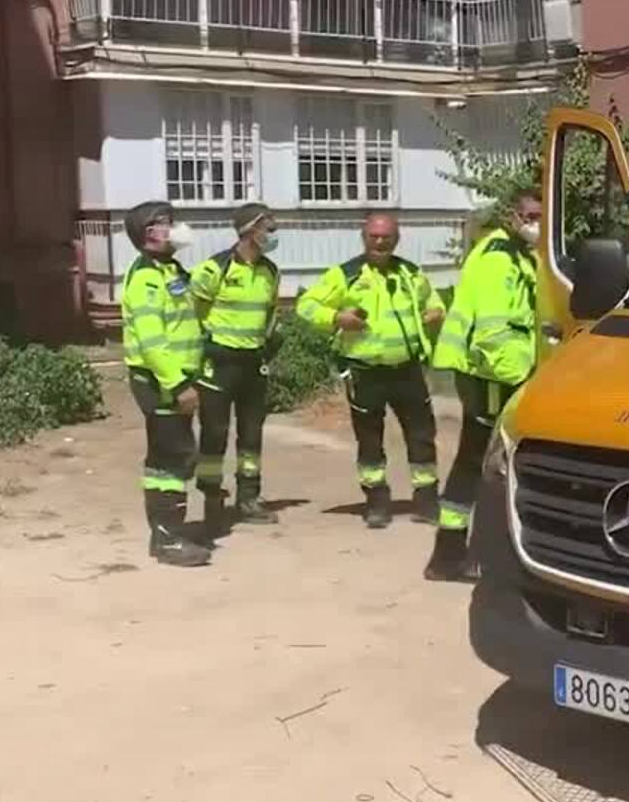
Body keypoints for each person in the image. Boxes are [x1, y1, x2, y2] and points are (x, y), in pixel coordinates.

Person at [296, 212, 447, 528]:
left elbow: (434, 302)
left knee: (422, 436)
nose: (381, 242)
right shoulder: (346, 274)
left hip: (407, 369)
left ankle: (426, 500)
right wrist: (337, 318)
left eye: (387, 236)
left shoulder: (409, 273)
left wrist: (435, 312)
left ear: (397, 238)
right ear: (364, 238)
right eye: (374, 236)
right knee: (369, 439)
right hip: (366, 372)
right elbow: (306, 305)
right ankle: (377, 501)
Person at [426, 192, 543, 581]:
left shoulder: (518, 254)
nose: (536, 223)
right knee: (480, 461)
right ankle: (452, 555)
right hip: (493, 375)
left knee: (479, 460)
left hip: (493, 374)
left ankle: (457, 552)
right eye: (531, 215)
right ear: (512, 215)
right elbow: (494, 327)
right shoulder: (498, 258)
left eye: (540, 216)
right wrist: (518, 376)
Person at [119, 201, 212, 568]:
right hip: (160, 383)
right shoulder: (144, 277)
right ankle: (167, 538)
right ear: (147, 234)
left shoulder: (171, 270)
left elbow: (187, 321)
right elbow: (152, 341)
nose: (174, 228)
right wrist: (177, 385)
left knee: (173, 455)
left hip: (179, 379)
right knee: (171, 457)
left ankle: (168, 532)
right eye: (165, 223)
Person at [189, 204, 282, 535]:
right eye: (268, 228)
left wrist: (270, 343)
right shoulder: (216, 268)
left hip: (253, 364)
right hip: (219, 362)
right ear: (248, 230)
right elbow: (191, 311)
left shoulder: (270, 270)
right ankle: (212, 499)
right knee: (214, 433)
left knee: (252, 434)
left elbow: (271, 311)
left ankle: (248, 498)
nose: (273, 234)